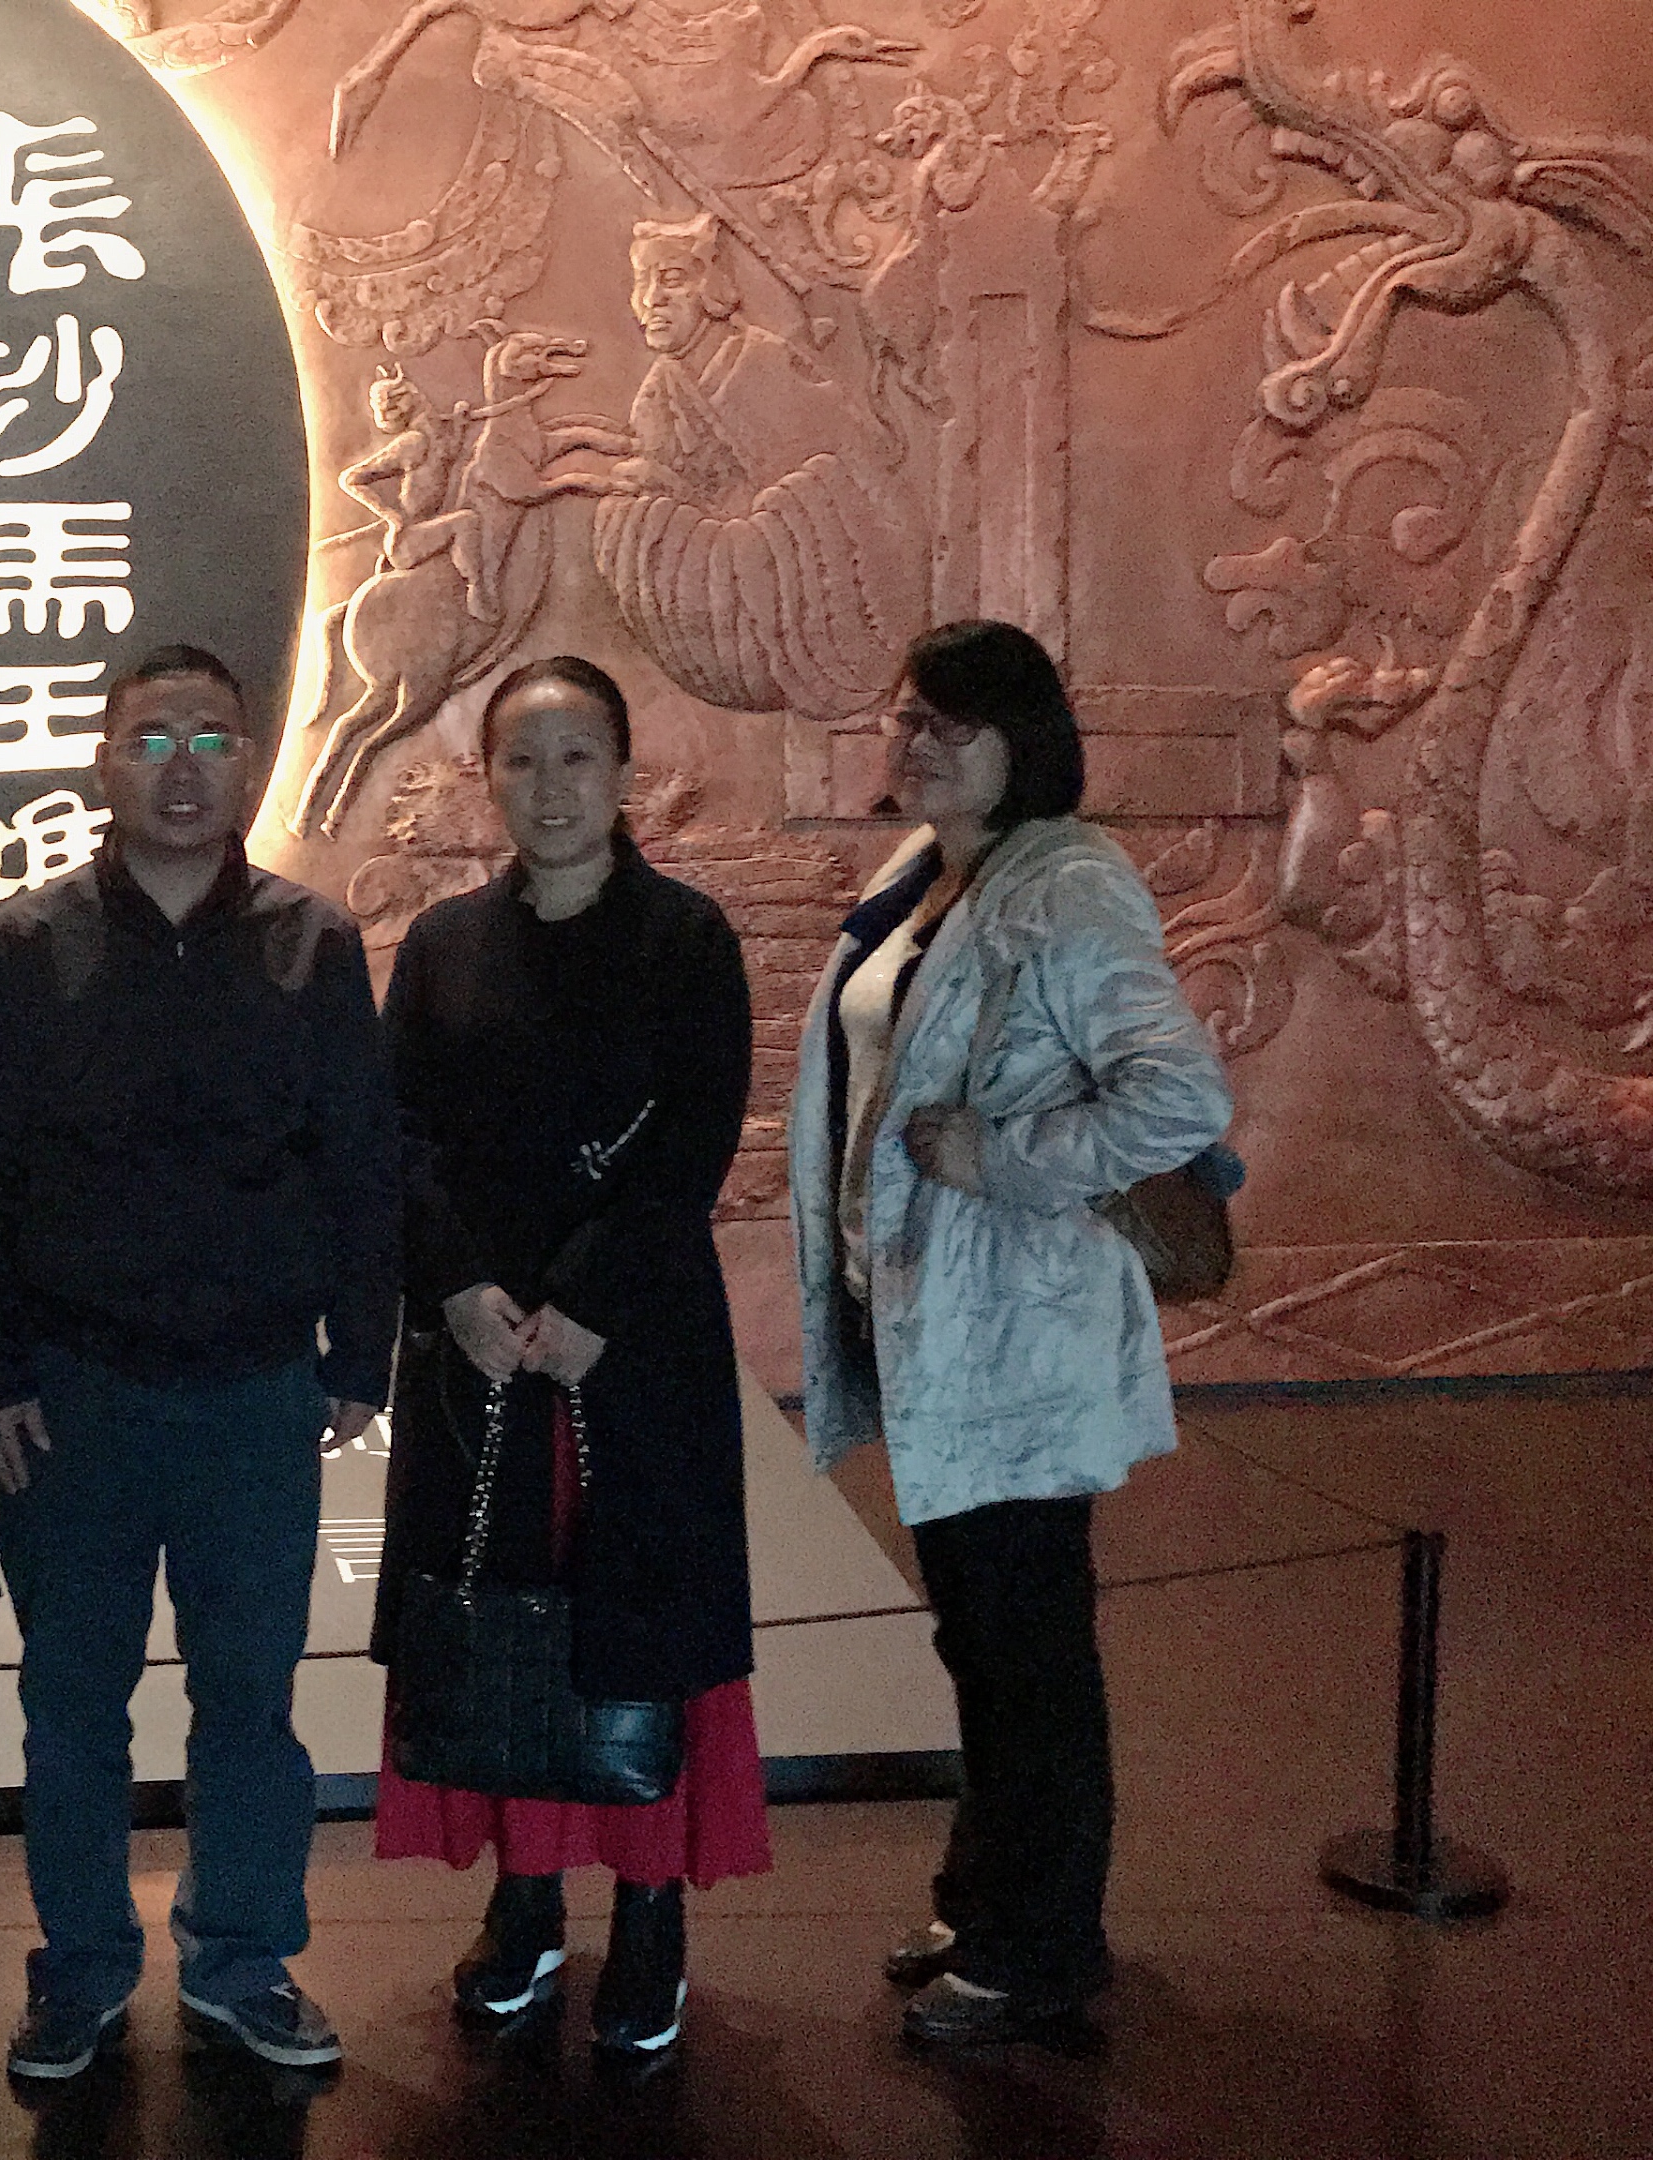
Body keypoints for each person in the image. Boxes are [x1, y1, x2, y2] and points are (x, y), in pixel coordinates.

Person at [0, 644, 401, 2080]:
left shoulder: (312, 943)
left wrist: (362, 1350)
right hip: (68, 1394)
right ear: (104, 760)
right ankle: (79, 1970)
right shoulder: (22, 948)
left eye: (211, 737)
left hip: (256, 1389)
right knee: (71, 1704)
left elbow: (362, 1161)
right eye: (152, 739)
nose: (184, 766)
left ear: (250, 760)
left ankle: (242, 1957)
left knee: (249, 1700)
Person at [787, 618, 1232, 2047]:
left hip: (1020, 1335)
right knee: (981, 1639)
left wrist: (1005, 1156)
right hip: (940, 1327)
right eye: (906, 715)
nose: (917, 742)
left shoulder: (1067, 884)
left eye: (953, 723)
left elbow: (1178, 1097)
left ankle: (1042, 1947)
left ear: (1021, 740)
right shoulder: (928, 869)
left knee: (1030, 1649)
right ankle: (985, 1903)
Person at [372, 655, 769, 2064]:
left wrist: (594, 1301)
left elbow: (696, 1134)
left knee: (634, 1622)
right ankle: (526, 1899)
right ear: (487, 777)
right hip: (479, 1352)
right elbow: (398, 1137)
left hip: (634, 1346)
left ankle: (652, 1913)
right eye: (522, 760)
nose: (550, 788)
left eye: (578, 758)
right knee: (500, 1623)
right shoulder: (443, 946)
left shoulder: (686, 938)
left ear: (624, 774)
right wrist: (460, 1286)